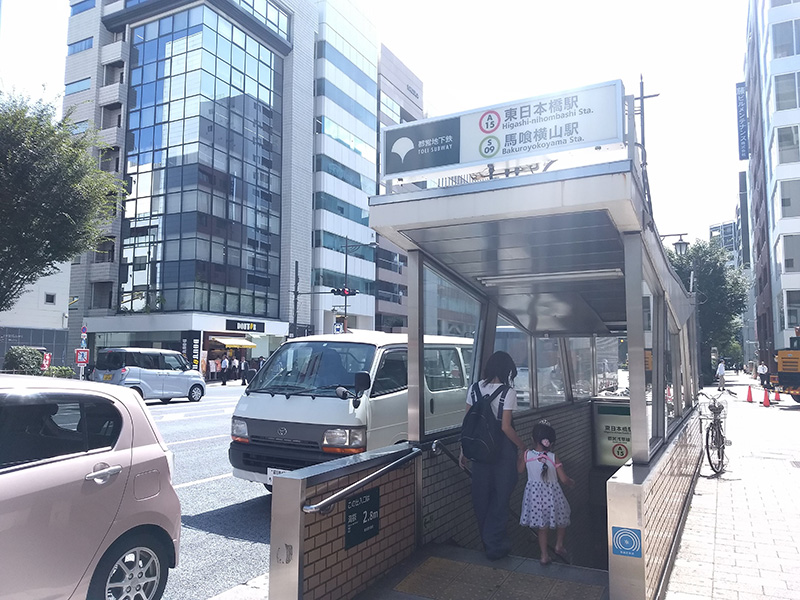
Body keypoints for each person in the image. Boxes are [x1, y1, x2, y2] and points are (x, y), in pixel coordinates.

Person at [459, 351, 525, 561]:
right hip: (503, 452)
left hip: (479, 450)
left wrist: (464, 450)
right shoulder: (508, 393)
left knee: (481, 498)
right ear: (506, 371)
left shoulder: (474, 388)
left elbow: (468, 422)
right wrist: (523, 447)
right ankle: (495, 546)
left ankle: (488, 542)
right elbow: (506, 427)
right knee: (500, 497)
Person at [518, 421, 574, 565]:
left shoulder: (527, 455)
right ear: (551, 441)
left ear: (533, 439)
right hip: (552, 496)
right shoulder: (553, 457)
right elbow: (563, 479)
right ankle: (559, 545)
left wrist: (521, 456)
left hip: (535, 497)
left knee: (542, 528)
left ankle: (544, 555)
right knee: (562, 518)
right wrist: (570, 482)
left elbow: (520, 470)